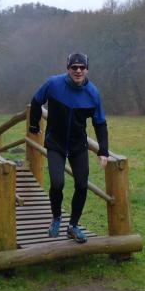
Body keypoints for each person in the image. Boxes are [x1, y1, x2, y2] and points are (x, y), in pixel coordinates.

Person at [29, 52, 109, 243]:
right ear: (68, 69)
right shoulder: (53, 84)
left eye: (82, 67)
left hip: (78, 145)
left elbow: (100, 123)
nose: (78, 71)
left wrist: (103, 151)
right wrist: (33, 125)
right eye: (74, 67)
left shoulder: (93, 93)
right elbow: (36, 101)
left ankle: (73, 225)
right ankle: (56, 218)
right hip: (55, 143)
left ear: (87, 69)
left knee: (82, 185)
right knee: (57, 183)